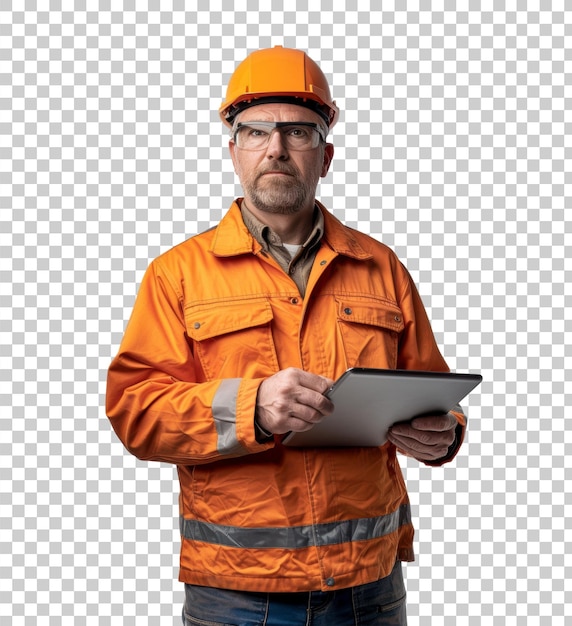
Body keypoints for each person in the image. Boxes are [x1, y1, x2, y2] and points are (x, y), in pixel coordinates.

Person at [106, 46, 466, 626]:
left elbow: (432, 391)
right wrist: (252, 408)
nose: (276, 148)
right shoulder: (176, 274)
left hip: (368, 586)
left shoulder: (382, 268)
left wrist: (443, 435)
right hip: (236, 596)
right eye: (256, 131)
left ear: (325, 156)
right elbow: (136, 413)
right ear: (234, 152)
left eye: (298, 131)